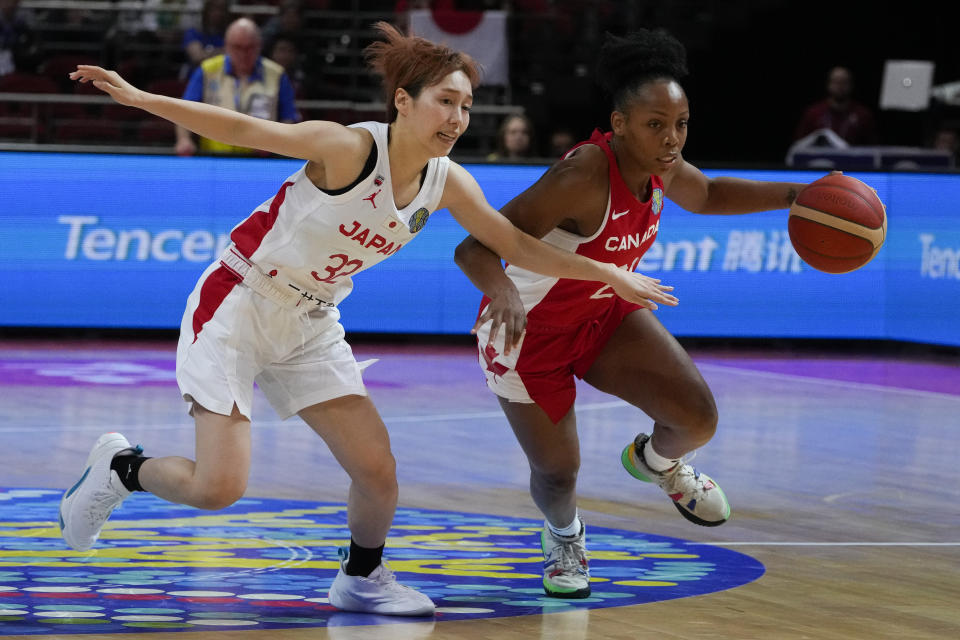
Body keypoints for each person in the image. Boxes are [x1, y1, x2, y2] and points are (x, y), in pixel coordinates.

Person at [61, 22, 676, 617]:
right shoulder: (349, 148)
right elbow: (243, 124)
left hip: (312, 321)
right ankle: (121, 469)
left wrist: (608, 273)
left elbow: (515, 245)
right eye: (445, 102)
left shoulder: (447, 181)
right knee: (217, 489)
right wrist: (143, 98)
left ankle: (361, 579)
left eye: (466, 105)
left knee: (378, 471)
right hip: (240, 301)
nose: (458, 118)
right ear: (404, 102)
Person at [454, 28, 810, 599]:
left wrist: (795, 196)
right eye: (656, 125)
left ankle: (657, 463)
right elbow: (475, 247)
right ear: (620, 124)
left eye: (681, 124)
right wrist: (499, 291)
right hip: (528, 335)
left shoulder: (660, 165)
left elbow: (712, 194)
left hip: (602, 317)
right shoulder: (581, 178)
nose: (671, 139)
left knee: (696, 418)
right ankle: (563, 534)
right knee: (558, 472)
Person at [175, 17, 299, 156]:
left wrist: (275, 142)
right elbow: (184, 111)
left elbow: (288, 118)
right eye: (237, 47)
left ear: (259, 45)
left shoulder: (277, 74)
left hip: (261, 159)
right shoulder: (207, 70)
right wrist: (184, 139)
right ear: (226, 46)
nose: (243, 54)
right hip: (213, 157)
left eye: (249, 48)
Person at [794, 65, 878, 146]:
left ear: (851, 85)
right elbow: (799, 145)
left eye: (844, 82)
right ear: (828, 84)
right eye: (836, 82)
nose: (840, 86)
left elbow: (872, 148)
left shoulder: (863, 115)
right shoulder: (813, 113)